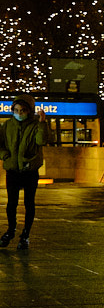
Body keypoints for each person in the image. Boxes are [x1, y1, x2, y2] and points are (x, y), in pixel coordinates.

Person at [0, 97, 52, 250]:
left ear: (29, 111)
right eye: (16, 110)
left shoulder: (36, 125)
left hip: (29, 170)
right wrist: (5, 157)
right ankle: (11, 231)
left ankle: (25, 235)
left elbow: (41, 141)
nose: (19, 113)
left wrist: (42, 123)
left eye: (23, 110)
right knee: (11, 203)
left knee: (29, 203)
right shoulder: (7, 125)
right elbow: (1, 145)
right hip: (13, 170)